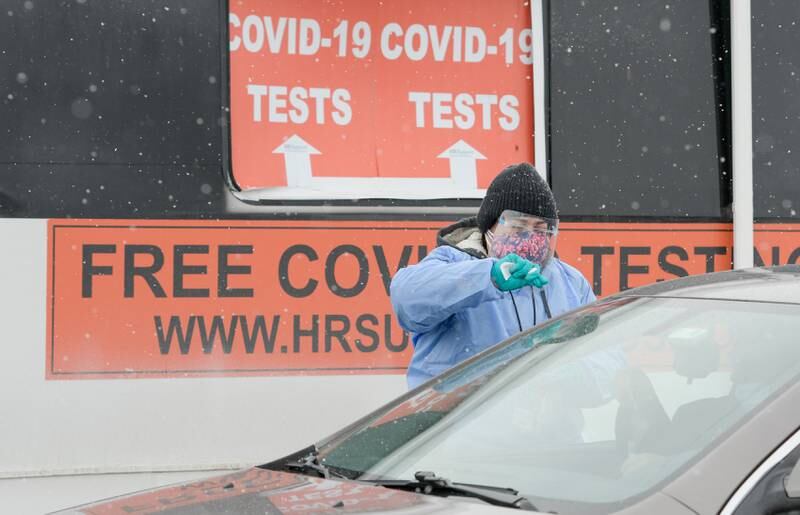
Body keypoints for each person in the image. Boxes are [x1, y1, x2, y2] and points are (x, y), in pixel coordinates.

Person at [391, 162, 596, 389]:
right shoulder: (454, 261)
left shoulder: (571, 282)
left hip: (545, 421)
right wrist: (487, 277)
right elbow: (406, 298)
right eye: (518, 226)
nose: (531, 238)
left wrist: (575, 376)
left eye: (541, 228)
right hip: (460, 419)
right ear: (490, 227)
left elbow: (605, 351)